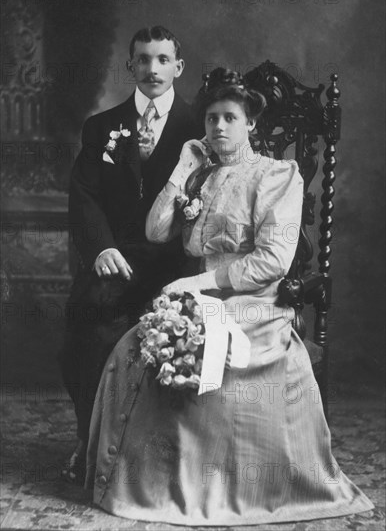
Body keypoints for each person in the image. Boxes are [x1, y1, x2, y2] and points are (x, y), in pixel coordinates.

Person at [85, 68, 374, 525]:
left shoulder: (276, 176)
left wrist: (198, 284)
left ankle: (217, 485)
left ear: (251, 124)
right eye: (211, 118)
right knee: (134, 349)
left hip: (256, 303)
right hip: (200, 298)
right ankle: (153, 481)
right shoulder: (199, 176)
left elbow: (273, 261)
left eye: (230, 118)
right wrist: (183, 169)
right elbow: (156, 231)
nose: (218, 127)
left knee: (209, 359)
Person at [60, 25, 201, 484]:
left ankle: (163, 455)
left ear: (178, 67)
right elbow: (83, 195)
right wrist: (101, 246)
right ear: (130, 67)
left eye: (163, 59)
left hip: (178, 262)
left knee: (179, 331)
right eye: (143, 59)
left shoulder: (201, 126)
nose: (152, 68)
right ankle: (90, 439)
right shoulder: (103, 126)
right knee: (88, 319)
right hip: (117, 257)